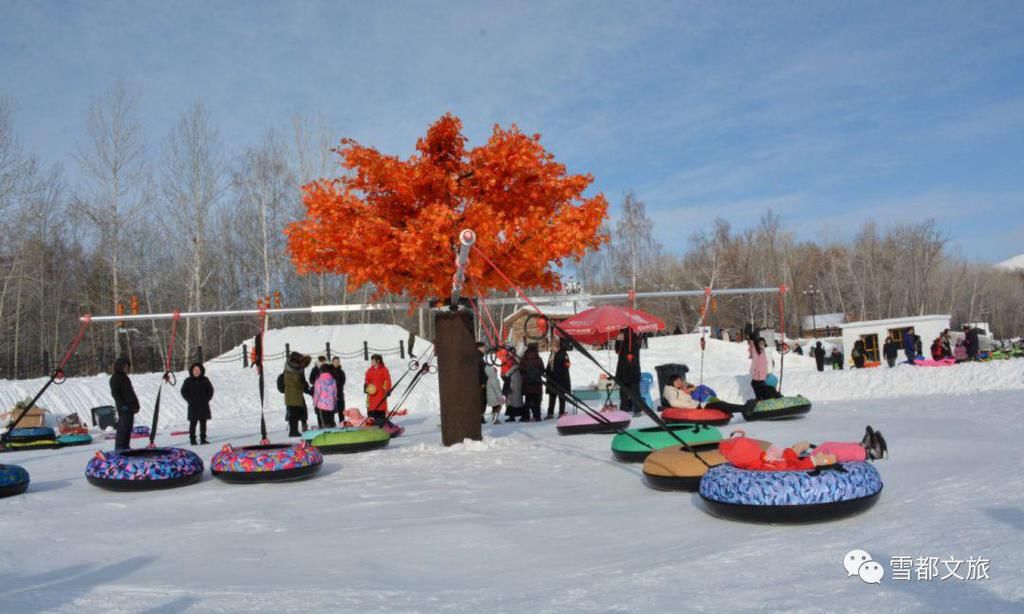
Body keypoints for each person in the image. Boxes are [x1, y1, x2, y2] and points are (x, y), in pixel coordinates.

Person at [719, 426, 887, 472]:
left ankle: (861, 445)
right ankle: (869, 453)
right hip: (804, 466)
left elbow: (784, 458)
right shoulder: (763, 466)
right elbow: (790, 467)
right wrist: (810, 458)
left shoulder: (759, 458)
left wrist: (795, 449)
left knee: (826, 445)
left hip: (797, 460)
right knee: (829, 452)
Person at [109, 357, 140, 450]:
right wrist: (122, 405)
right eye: (125, 367)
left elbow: (130, 393)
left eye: (127, 367)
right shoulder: (115, 378)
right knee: (123, 430)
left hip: (130, 408)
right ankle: (120, 448)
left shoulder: (125, 377)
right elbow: (115, 393)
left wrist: (135, 405)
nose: (127, 369)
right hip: (124, 409)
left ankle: (125, 447)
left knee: (127, 430)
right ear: (120, 367)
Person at [180, 362, 214, 445]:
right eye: (195, 370)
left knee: (203, 423)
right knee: (193, 423)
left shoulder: (205, 379)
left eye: (198, 370)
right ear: (191, 371)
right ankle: (192, 439)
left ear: (201, 370)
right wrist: (189, 399)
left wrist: (206, 399)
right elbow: (183, 391)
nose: (196, 372)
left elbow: (210, 390)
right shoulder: (188, 380)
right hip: (193, 405)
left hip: (203, 405)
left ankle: (203, 439)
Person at [615, 328, 643, 416]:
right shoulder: (637, 333)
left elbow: (617, 350)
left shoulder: (623, 334)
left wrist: (619, 340)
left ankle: (625, 410)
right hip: (633, 368)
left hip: (623, 369)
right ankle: (636, 410)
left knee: (624, 392)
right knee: (634, 391)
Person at [283, 352, 311, 436]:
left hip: (295, 394)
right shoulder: (293, 369)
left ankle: (295, 430)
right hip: (292, 394)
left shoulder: (295, 368)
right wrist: (305, 387)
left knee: (296, 412)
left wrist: (307, 388)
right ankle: (293, 431)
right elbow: (297, 381)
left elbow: (301, 381)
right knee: (293, 413)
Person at [545, 338, 571, 419]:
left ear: (556, 346)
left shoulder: (563, 353)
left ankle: (561, 412)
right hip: (552, 379)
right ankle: (550, 413)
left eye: (552, 346)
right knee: (552, 397)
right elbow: (549, 365)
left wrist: (559, 371)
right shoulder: (552, 354)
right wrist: (546, 371)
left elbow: (567, 365)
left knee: (561, 397)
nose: (551, 348)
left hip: (561, 379)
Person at [364, 353, 392, 426]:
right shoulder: (369, 370)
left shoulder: (384, 370)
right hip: (371, 394)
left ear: (378, 361)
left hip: (380, 394)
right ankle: (371, 424)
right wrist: (366, 386)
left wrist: (388, 389)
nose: (372, 362)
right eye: (372, 361)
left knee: (380, 409)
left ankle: (382, 424)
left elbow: (388, 380)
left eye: (373, 361)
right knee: (371, 410)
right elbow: (367, 380)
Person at [520, 342, 545, 422]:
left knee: (527, 401)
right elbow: (542, 370)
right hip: (537, 383)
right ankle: (537, 416)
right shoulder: (538, 359)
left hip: (527, 384)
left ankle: (526, 417)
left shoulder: (524, 359)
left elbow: (521, 370)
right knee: (537, 401)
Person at [504, 353, 525, 422]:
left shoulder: (514, 367)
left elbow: (507, 374)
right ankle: (521, 415)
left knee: (512, 402)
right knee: (518, 401)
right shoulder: (520, 367)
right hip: (518, 386)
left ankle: (512, 417)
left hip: (512, 386)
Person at [485, 359, 504, 424]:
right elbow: (496, 389)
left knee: (495, 408)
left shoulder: (489, 379)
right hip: (495, 397)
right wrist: (500, 397)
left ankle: (493, 419)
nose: (496, 371)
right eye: (495, 370)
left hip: (492, 397)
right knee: (498, 407)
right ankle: (494, 420)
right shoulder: (493, 379)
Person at [330, 357, 346, 422]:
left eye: (338, 362)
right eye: (335, 362)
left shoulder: (341, 372)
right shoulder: (329, 371)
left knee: (341, 409)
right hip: (331, 393)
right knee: (331, 409)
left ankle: (342, 422)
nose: (336, 363)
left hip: (339, 393)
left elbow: (343, 382)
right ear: (332, 362)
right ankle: (331, 423)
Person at [476, 342, 489, 423]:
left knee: (482, 400)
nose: (484, 349)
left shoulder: (479, 357)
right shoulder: (478, 357)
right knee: (481, 400)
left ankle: (480, 417)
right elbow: (480, 372)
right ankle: (480, 418)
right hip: (480, 384)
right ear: (479, 348)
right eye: (483, 347)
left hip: (480, 382)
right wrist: (483, 382)